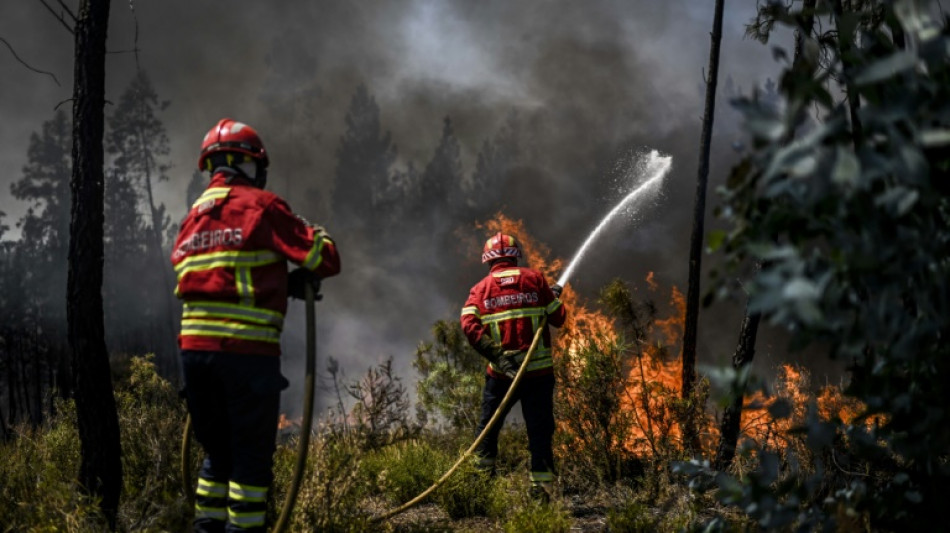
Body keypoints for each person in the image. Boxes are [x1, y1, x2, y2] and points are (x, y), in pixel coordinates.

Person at [171, 118, 340, 532]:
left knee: (217, 455)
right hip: (246, 357)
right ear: (248, 164)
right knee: (249, 462)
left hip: (195, 359)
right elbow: (325, 259)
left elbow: (219, 278)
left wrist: (280, 283)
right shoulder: (261, 206)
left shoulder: (192, 219)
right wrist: (316, 234)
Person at [460, 232, 567, 501]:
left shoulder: (480, 290)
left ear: (488, 260)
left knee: (488, 430)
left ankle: (480, 487)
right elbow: (558, 318)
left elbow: (468, 326)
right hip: (538, 376)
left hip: (500, 376)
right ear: (515, 256)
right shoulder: (535, 280)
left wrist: (498, 356)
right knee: (540, 433)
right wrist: (551, 297)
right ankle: (541, 492)